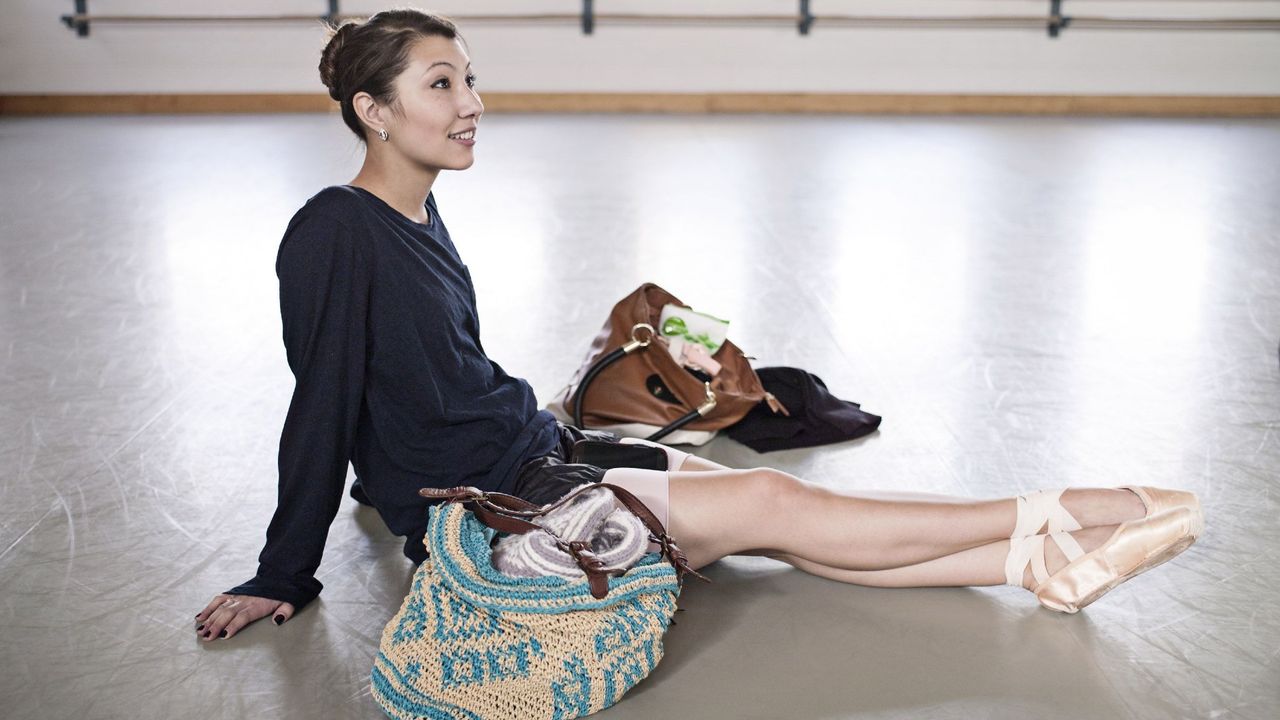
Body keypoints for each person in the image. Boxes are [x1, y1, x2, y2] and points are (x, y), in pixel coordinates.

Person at [194, 8, 1203, 642]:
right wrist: (287, 569)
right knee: (772, 504)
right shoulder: (335, 230)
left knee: (770, 521)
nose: (472, 105)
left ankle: (1029, 563)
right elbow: (322, 397)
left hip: (539, 450)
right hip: (502, 508)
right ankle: (1071, 507)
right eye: (441, 84)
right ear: (372, 110)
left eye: (470, 79)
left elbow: (424, 373)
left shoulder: (416, 208)